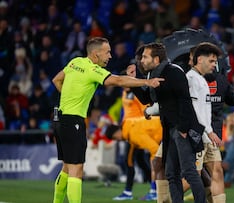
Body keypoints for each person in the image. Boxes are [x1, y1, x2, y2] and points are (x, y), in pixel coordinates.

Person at [51, 37, 163, 203]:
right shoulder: (92, 69)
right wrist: (146, 81)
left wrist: (69, 97)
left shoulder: (75, 62)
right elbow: (118, 80)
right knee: (77, 169)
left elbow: (56, 80)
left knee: (67, 168)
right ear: (96, 54)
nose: (110, 56)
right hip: (73, 120)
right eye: (107, 52)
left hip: (59, 119)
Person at [131, 42, 206, 203]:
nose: (142, 60)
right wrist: (133, 81)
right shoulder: (153, 75)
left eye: (145, 57)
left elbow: (185, 100)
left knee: (189, 172)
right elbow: (146, 99)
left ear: (156, 59)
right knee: (171, 173)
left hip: (181, 128)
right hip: (170, 129)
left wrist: (183, 128)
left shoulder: (173, 72)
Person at [108, 64, 162, 201]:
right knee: (138, 161)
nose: (122, 84)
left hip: (139, 128)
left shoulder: (136, 92)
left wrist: (142, 123)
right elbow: (126, 112)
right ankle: (151, 186)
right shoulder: (126, 92)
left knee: (131, 160)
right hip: (129, 128)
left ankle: (137, 190)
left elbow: (145, 107)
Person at [185, 42, 226, 203]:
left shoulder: (201, 79)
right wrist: (209, 131)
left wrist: (209, 133)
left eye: (215, 62)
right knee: (192, 177)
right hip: (198, 136)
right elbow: (195, 110)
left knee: (217, 170)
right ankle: (166, 199)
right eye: (212, 61)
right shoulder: (191, 80)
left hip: (207, 136)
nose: (214, 65)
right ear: (200, 59)